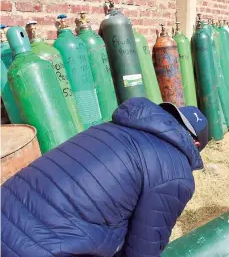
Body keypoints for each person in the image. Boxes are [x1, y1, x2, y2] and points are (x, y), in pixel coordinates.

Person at [1, 97, 208, 257]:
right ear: (196, 146)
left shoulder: (109, 127)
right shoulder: (175, 171)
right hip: (37, 248)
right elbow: (145, 247)